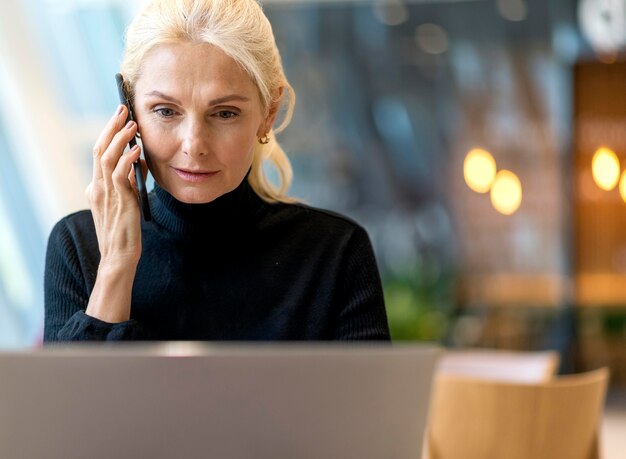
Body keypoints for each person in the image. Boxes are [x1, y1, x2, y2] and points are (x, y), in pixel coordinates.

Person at [44, 0, 390, 341]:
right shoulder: (78, 247)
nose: (194, 144)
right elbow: (72, 400)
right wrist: (116, 265)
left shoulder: (336, 254)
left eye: (225, 113)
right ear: (130, 112)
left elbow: (371, 400)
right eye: (165, 111)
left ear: (268, 113)